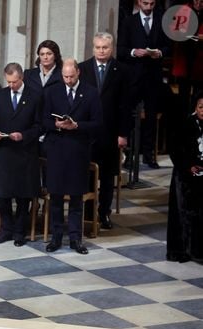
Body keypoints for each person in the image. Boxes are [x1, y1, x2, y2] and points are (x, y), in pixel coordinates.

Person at [43, 59, 103, 255]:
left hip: (78, 150)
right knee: (57, 196)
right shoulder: (52, 91)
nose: (68, 80)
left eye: (71, 76)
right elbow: (43, 119)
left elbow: (97, 122)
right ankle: (56, 236)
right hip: (57, 150)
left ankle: (76, 238)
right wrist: (56, 125)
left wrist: (77, 125)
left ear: (78, 73)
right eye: (65, 77)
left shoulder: (91, 92)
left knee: (77, 197)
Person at [79, 32, 134, 230]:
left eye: (105, 48)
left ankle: (104, 214)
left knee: (108, 176)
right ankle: (87, 214)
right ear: (93, 48)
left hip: (111, 133)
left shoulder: (122, 70)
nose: (101, 51)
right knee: (87, 174)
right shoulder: (83, 68)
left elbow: (126, 105)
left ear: (111, 48)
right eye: (98, 47)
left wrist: (123, 134)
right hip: (87, 133)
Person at [0, 63, 43, 247]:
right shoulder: (1, 96)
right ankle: (5, 230)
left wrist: (24, 135)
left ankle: (20, 232)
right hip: (4, 152)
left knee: (23, 196)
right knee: (3, 196)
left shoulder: (34, 96)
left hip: (25, 153)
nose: (12, 85)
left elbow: (39, 126)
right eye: (9, 81)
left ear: (21, 78)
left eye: (15, 81)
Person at [117, 0, 171, 168]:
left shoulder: (162, 20)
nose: (148, 7)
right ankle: (126, 155)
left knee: (151, 116)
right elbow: (121, 49)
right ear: (139, 2)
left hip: (153, 76)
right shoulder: (128, 22)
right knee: (127, 114)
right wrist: (134, 52)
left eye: (152, 4)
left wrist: (160, 52)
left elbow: (169, 46)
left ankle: (149, 155)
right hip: (133, 76)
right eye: (145, 3)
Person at [167, 93, 203, 264]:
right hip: (186, 174)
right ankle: (181, 250)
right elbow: (175, 149)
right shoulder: (186, 124)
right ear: (195, 107)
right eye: (201, 107)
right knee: (184, 213)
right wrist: (189, 167)